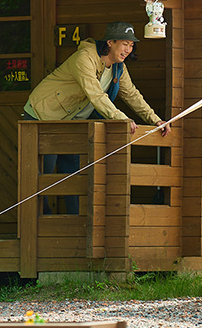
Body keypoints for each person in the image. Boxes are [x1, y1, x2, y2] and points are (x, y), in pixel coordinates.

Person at [23, 21, 170, 213]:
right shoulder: (84, 58)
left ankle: (74, 224)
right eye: (124, 43)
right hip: (43, 117)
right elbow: (95, 95)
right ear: (110, 42)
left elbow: (132, 95)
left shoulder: (119, 68)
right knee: (42, 176)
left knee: (73, 175)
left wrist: (155, 119)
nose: (128, 49)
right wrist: (121, 118)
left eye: (131, 45)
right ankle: (40, 228)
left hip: (72, 124)